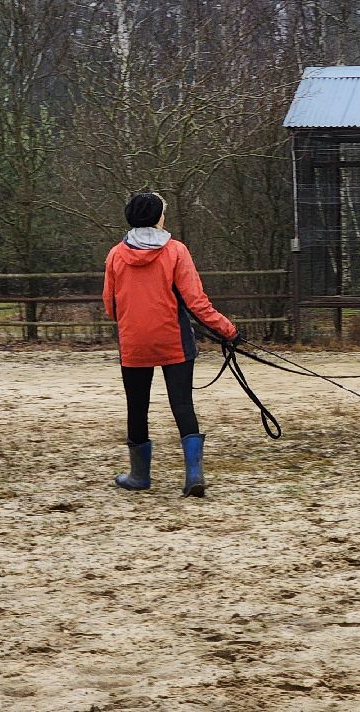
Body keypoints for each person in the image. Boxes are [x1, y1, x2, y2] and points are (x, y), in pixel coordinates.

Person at [102, 191, 239, 497]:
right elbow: (196, 303)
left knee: (137, 408)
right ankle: (193, 476)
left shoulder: (115, 255)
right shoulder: (176, 251)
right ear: (157, 216)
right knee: (182, 404)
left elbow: (110, 306)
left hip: (134, 342)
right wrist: (228, 330)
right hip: (173, 340)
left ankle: (139, 476)